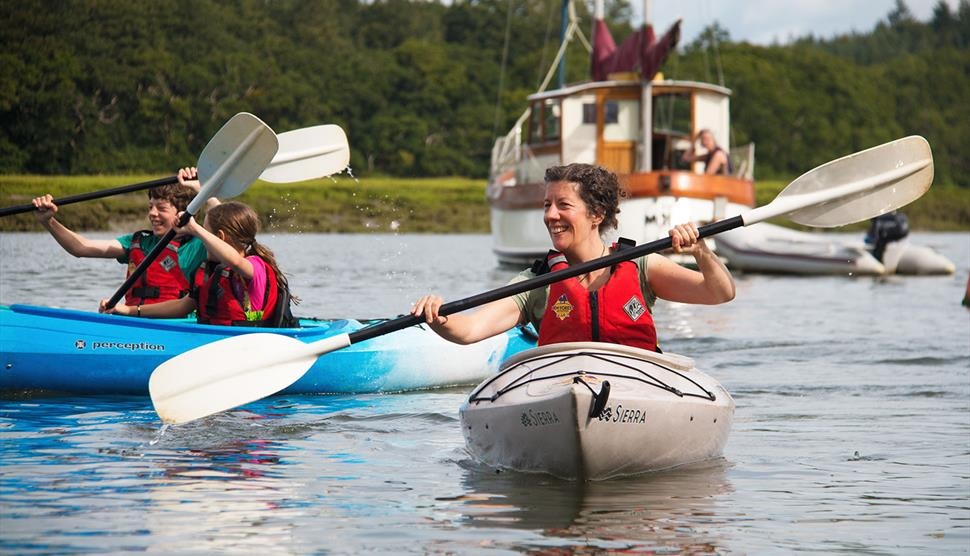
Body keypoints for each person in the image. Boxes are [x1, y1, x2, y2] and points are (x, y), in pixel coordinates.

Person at [410, 163, 735, 351]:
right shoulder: (536, 283)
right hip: (561, 390)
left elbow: (719, 293)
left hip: (637, 388)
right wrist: (439, 318)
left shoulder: (641, 265)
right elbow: (469, 330)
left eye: (563, 205)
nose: (551, 215)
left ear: (596, 214)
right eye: (546, 205)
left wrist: (701, 252)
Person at [32, 167, 218, 307]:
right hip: (134, 323)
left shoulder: (200, 244)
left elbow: (227, 228)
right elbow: (81, 248)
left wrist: (204, 190)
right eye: (150, 207)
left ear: (185, 212)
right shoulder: (139, 242)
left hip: (175, 326)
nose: (152, 214)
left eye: (161, 208)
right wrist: (48, 222)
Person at [100, 201, 297, 328]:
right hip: (214, 340)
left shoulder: (254, 266)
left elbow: (235, 260)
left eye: (206, 233)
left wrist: (194, 228)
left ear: (219, 237)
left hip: (247, 342)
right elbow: (182, 306)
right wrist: (127, 310)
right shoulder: (212, 271)